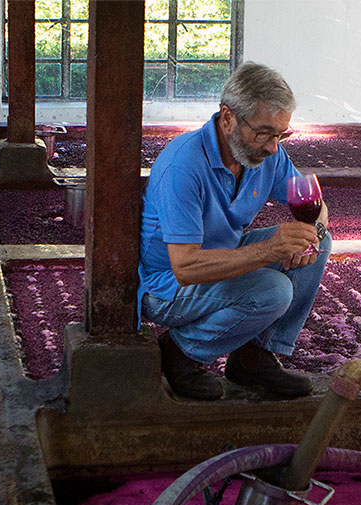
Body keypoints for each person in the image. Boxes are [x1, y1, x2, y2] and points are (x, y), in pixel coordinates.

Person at [138, 62, 331, 400]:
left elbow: (314, 203)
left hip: (223, 257)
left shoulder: (265, 153)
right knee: (274, 290)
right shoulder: (183, 166)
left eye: (280, 135)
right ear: (227, 118)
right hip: (166, 285)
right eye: (264, 133)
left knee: (319, 242)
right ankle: (181, 352)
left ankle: (253, 357)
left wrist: (312, 230)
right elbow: (185, 267)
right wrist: (269, 250)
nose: (273, 147)